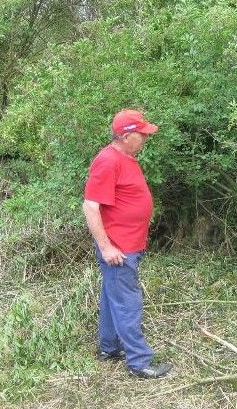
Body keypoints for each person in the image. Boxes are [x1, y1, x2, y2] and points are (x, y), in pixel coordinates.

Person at [82, 109, 172, 379]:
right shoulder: (107, 161)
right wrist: (107, 247)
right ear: (125, 136)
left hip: (129, 244)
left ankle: (109, 348)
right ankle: (139, 361)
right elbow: (90, 207)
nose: (145, 138)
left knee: (113, 297)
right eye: (141, 134)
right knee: (127, 302)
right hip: (118, 249)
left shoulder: (126, 157)